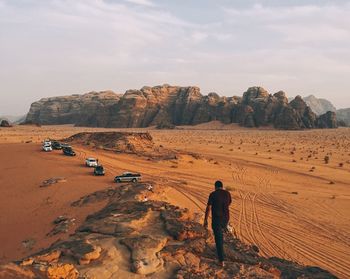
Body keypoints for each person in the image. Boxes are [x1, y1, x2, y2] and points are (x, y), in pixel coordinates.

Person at [203, 180, 232, 267]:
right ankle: (226, 228)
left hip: (217, 219)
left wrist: (205, 220)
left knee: (218, 239)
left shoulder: (213, 194)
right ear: (222, 186)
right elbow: (229, 202)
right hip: (226, 219)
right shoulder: (227, 193)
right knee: (221, 235)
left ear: (215, 187)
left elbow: (208, 208)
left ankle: (221, 261)